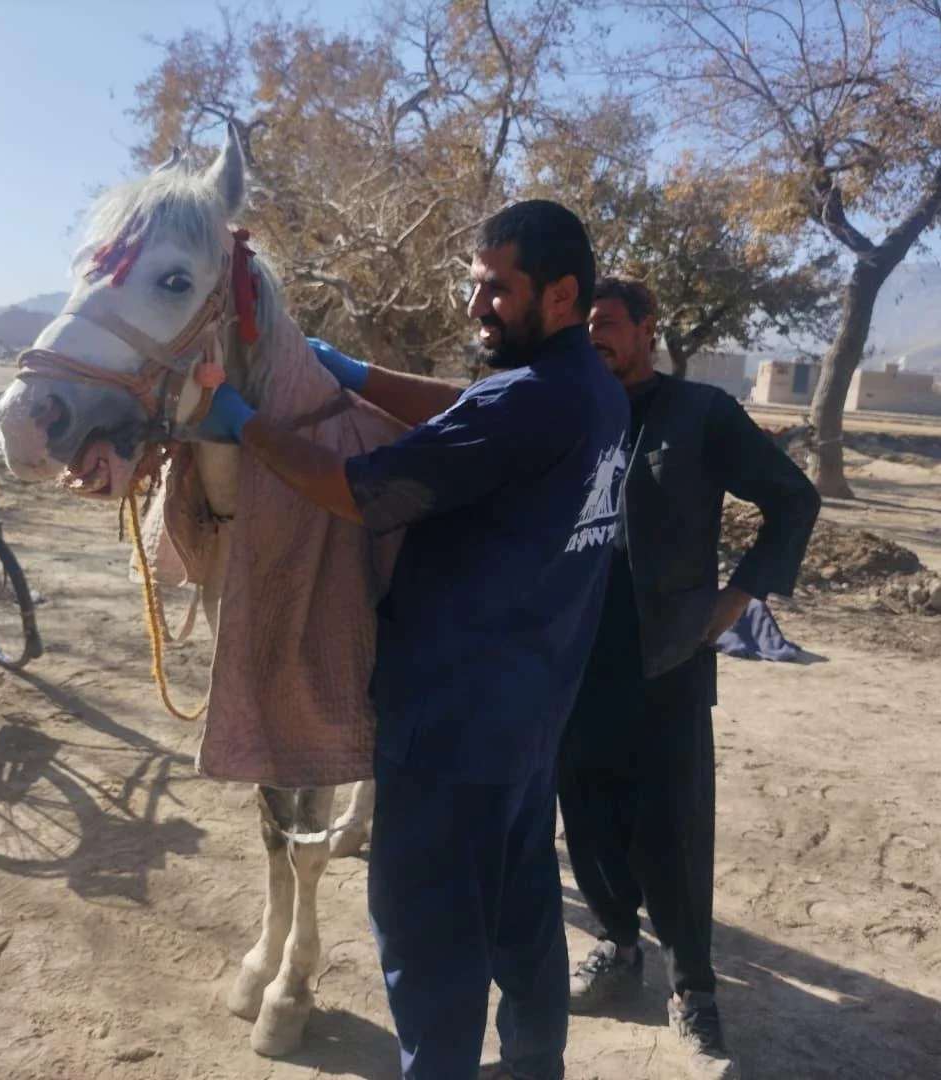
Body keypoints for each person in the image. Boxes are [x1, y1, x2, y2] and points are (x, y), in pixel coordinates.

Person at [189, 200, 629, 1080]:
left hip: (450, 725)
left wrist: (245, 424)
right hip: (530, 717)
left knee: (427, 940)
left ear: (560, 294)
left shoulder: (529, 401)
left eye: (495, 290)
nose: (474, 308)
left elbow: (359, 490)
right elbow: (472, 407)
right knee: (522, 915)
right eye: (473, 286)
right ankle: (535, 1064)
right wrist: (356, 376)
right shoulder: (594, 391)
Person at [557, 277, 820, 1072]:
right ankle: (616, 947)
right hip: (575, 656)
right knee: (588, 818)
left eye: (608, 323)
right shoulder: (574, 410)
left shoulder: (700, 413)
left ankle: (693, 992)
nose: (594, 337)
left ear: (647, 328)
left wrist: (736, 599)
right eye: (585, 326)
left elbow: (792, 499)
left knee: (671, 830)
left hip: (666, 658)